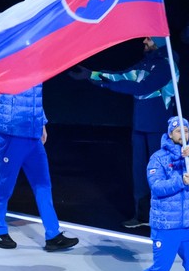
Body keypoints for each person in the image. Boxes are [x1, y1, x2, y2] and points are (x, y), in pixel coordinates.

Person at [70, 36, 178, 228]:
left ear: (160, 42)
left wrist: (107, 83)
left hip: (159, 129)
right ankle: (142, 215)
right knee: (140, 173)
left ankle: (163, 217)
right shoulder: (146, 63)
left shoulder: (167, 65)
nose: (144, 41)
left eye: (149, 39)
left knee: (160, 173)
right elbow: (122, 75)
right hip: (140, 126)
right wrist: (92, 75)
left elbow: (143, 87)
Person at [118, 117, 189, 271]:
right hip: (166, 225)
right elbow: (156, 187)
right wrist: (180, 181)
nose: (183, 134)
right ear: (170, 134)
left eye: (186, 130)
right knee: (161, 269)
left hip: (188, 226)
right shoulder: (158, 158)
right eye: (178, 131)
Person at [0, 84, 79, 252]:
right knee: (5, 185)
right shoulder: (7, 66)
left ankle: (53, 234)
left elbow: (35, 99)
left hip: (33, 135)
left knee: (43, 184)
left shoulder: (34, 68)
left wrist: (41, 122)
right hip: (12, 135)